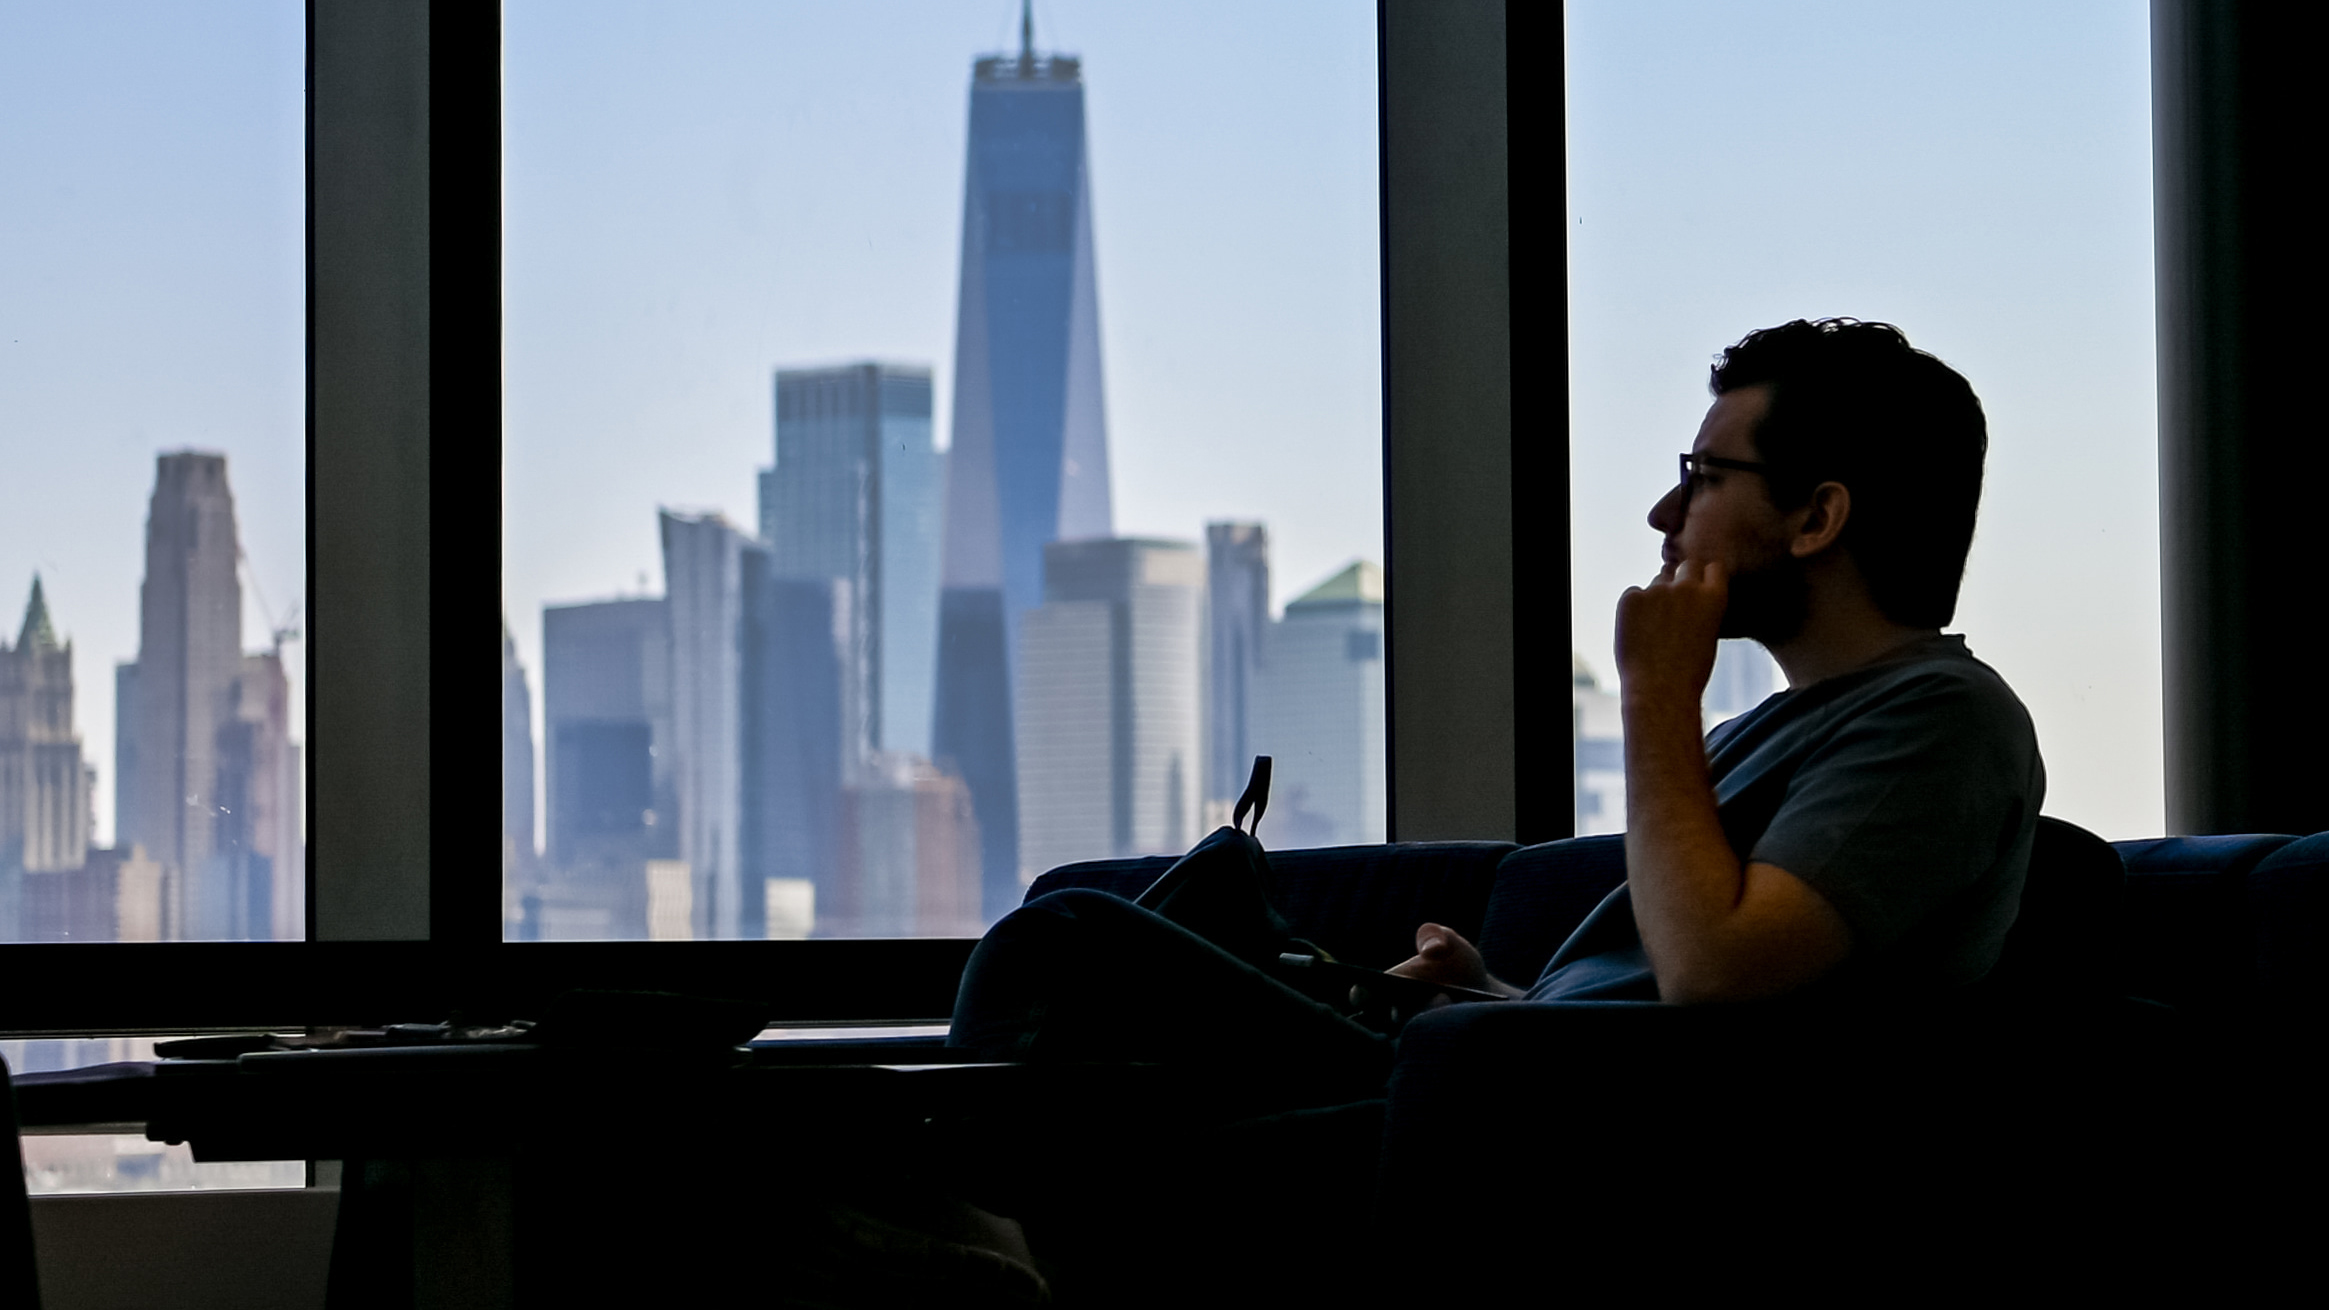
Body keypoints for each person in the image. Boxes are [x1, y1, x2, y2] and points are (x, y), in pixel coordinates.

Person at [1387, 316, 2043, 1008]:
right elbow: (1650, 997)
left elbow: (1715, 981)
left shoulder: (1945, 720)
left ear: (1815, 519)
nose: (1663, 513)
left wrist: (1655, 695)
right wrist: (1487, 1001)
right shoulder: (1748, 735)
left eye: (1704, 478)